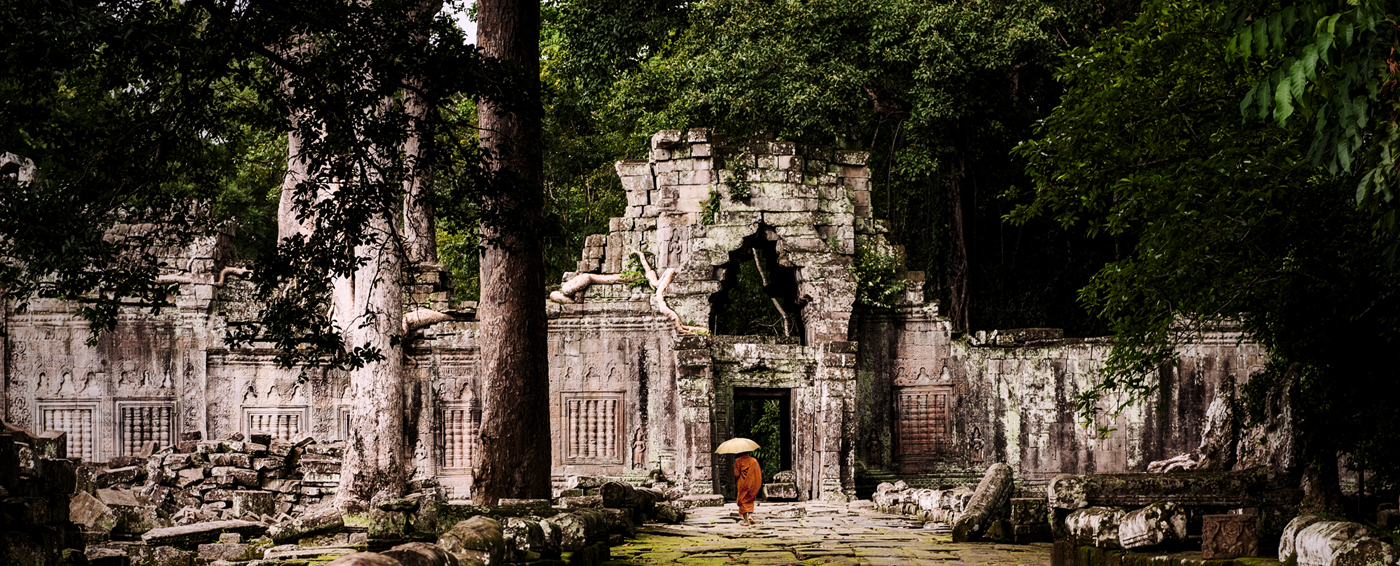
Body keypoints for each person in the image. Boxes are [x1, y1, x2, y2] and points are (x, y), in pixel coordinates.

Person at [734, 451, 762, 525]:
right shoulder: (753, 461)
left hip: (742, 483)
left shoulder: (738, 461)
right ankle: (750, 516)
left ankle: (746, 521)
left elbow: (737, 474)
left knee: (742, 500)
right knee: (750, 499)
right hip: (751, 483)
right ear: (749, 451)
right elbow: (757, 473)